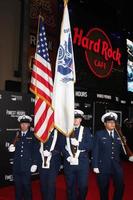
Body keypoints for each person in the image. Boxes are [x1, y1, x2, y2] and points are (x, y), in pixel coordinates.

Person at [92, 112, 125, 200]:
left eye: (113, 122)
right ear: (105, 124)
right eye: (110, 122)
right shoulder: (99, 134)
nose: (112, 124)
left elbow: (123, 151)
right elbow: (95, 150)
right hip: (103, 165)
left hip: (116, 166)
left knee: (120, 186)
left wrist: (124, 145)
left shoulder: (119, 134)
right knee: (103, 188)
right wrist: (95, 165)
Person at [62, 109, 93, 200]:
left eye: (77, 118)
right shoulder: (65, 130)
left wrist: (79, 144)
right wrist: (67, 157)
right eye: (73, 118)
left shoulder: (86, 130)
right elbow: (61, 145)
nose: (75, 120)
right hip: (69, 163)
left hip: (82, 162)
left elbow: (91, 145)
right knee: (70, 186)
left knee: (83, 186)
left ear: (81, 120)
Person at [8, 115, 38, 200]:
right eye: (22, 124)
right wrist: (10, 148)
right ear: (20, 124)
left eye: (25, 124)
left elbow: (36, 150)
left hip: (27, 166)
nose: (23, 125)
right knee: (17, 188)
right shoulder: (16, 134)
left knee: (26, 187)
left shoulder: (33, 135)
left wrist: (35, 163)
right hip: (17, 166)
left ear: (29, 125)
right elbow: (10, 145)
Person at [37, 128, 64, 200]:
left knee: (51, 185)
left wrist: (51, 153)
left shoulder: (59, 133)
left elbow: (61, 146)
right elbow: (36, 146)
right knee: (43, 184)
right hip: (42, 162)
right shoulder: (41, 130)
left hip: (53, 162)